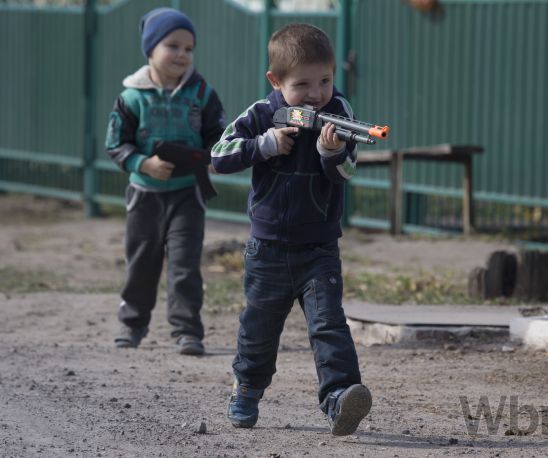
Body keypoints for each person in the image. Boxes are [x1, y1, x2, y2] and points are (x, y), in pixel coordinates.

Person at [211, 23, 371, 436]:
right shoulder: (262, 113)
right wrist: (263, 145)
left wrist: (330, 152)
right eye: (302, 84)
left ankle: (339, 398)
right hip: (267, 249)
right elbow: (219, 154)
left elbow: (346, 173)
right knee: (259, 328)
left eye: (325, 80)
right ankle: (246, 389)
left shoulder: (341, 113)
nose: (317, 93)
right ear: (275, 81)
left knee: (329, 325)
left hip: (319, 248)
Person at [105, 7, 226, 356]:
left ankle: (187, 331)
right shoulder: (131, 97)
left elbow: (218, 134)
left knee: (185, 266)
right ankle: (132, 324)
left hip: (188, 195)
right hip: (145, 196)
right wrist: (144, 163)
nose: (182, 55)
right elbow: (115, 144)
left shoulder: (202, 93)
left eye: (189, 48)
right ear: (151, 49)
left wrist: (217, 156)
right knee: (141, 263)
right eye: (172, 46)